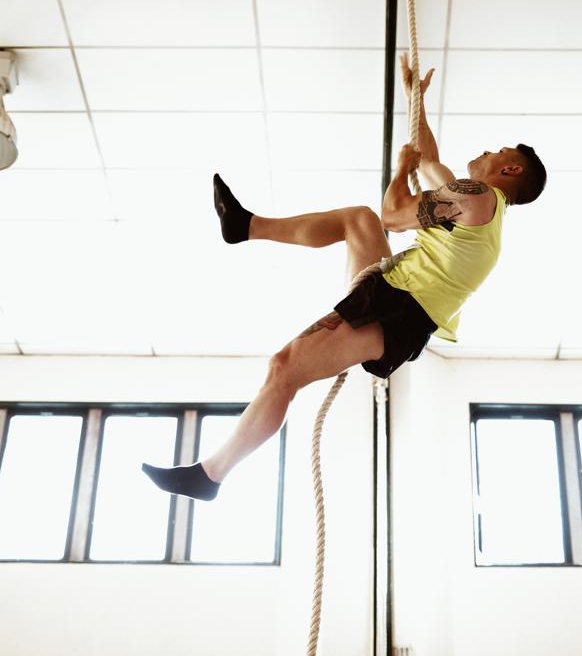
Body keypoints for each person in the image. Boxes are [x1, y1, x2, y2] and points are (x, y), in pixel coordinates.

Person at [142, 55, 547, 501]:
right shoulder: (481, 208)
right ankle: (246, 226)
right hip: (394, 292)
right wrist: (416, 99)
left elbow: (394, 217)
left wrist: (400, 172)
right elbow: (429, 159)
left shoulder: (476, 196)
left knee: (284, 368)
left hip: (399, 309)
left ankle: (210, 474)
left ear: (510, 171)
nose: (488, 152)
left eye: (498, 152)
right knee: (358, 220)